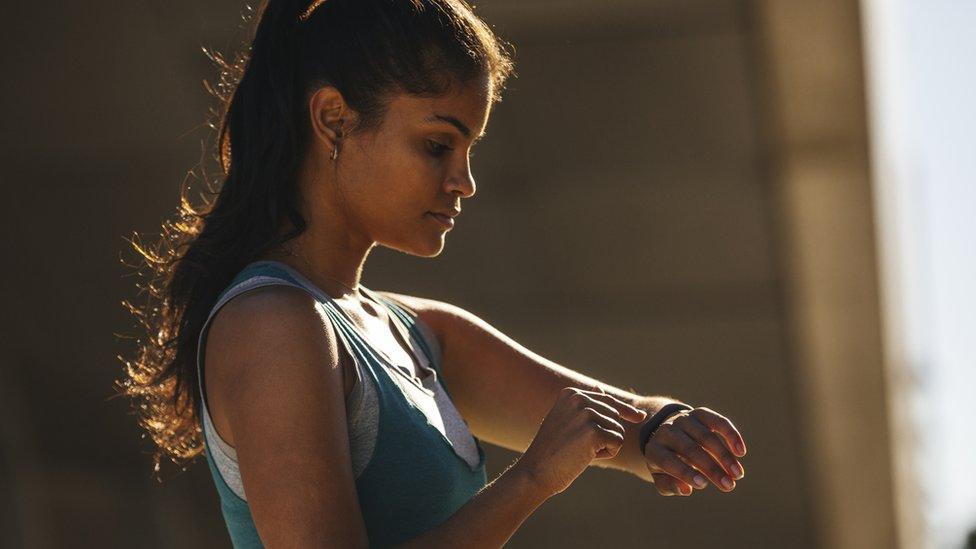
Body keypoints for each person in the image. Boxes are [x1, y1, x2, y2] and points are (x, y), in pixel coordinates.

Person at [120, 0, 748, 547]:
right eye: (437, 145)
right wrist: (531, 481)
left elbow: (617, 424)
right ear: (334, 118)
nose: (464, 182)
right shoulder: (271, 326)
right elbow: (557, 451)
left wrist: (669, 428)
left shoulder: (421, 331)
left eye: (469, 149)